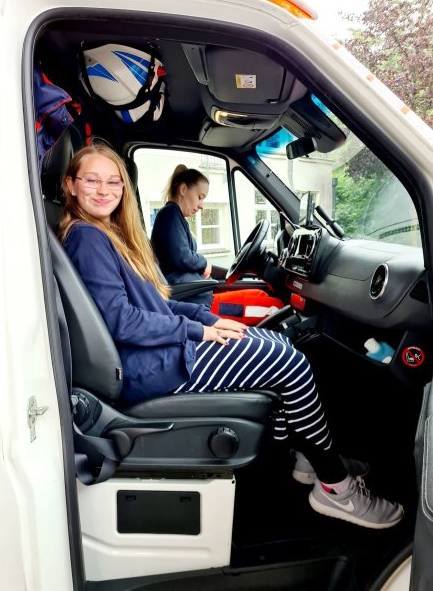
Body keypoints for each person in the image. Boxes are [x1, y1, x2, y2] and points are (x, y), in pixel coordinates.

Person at [59, 140, 403, 530]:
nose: (104, 191)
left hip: (157, 353)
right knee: (290, 361)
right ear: (71, 185)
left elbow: (156, 305)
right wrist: (198, 330)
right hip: (152, 366)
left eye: (113, 182)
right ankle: (335, 487)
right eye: (92, 180)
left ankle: (310, 453)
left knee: (279, 344)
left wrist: (208, 322)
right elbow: (123, 322)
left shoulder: (103, 233)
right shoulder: (88, 239)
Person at [151, 165, 213, 306]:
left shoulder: (176, 217)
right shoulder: (170, 215)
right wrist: (204, 262)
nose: (201, 206)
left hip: (187, 288)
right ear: (183, 189)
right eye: (200, 197)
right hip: (179, 289)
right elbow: (182, 257)